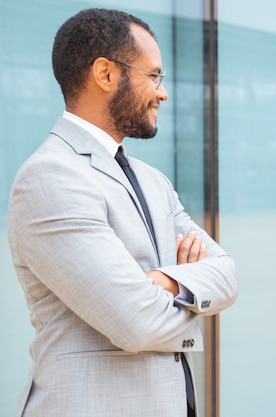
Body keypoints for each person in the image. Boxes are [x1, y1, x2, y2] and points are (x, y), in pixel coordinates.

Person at [7, 8, 239, 417]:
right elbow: (136, 322)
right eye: (154, 76)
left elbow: (227, 275)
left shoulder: (153, 180)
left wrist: (165, 282)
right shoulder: (50, 177)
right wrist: (193, 296)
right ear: (106, 74)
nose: (162, 93)